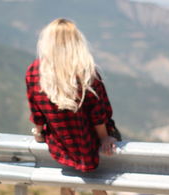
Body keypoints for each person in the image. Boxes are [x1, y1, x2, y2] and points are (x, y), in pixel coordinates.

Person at [25, 18, 117, 195]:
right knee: (97, 184)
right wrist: (105, 138)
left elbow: (37, 112)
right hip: (90, 142)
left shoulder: (34, 71)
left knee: (67, 180)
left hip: (60, 143)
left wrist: (39, 133)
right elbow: (99, 114)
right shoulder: (86, 71)